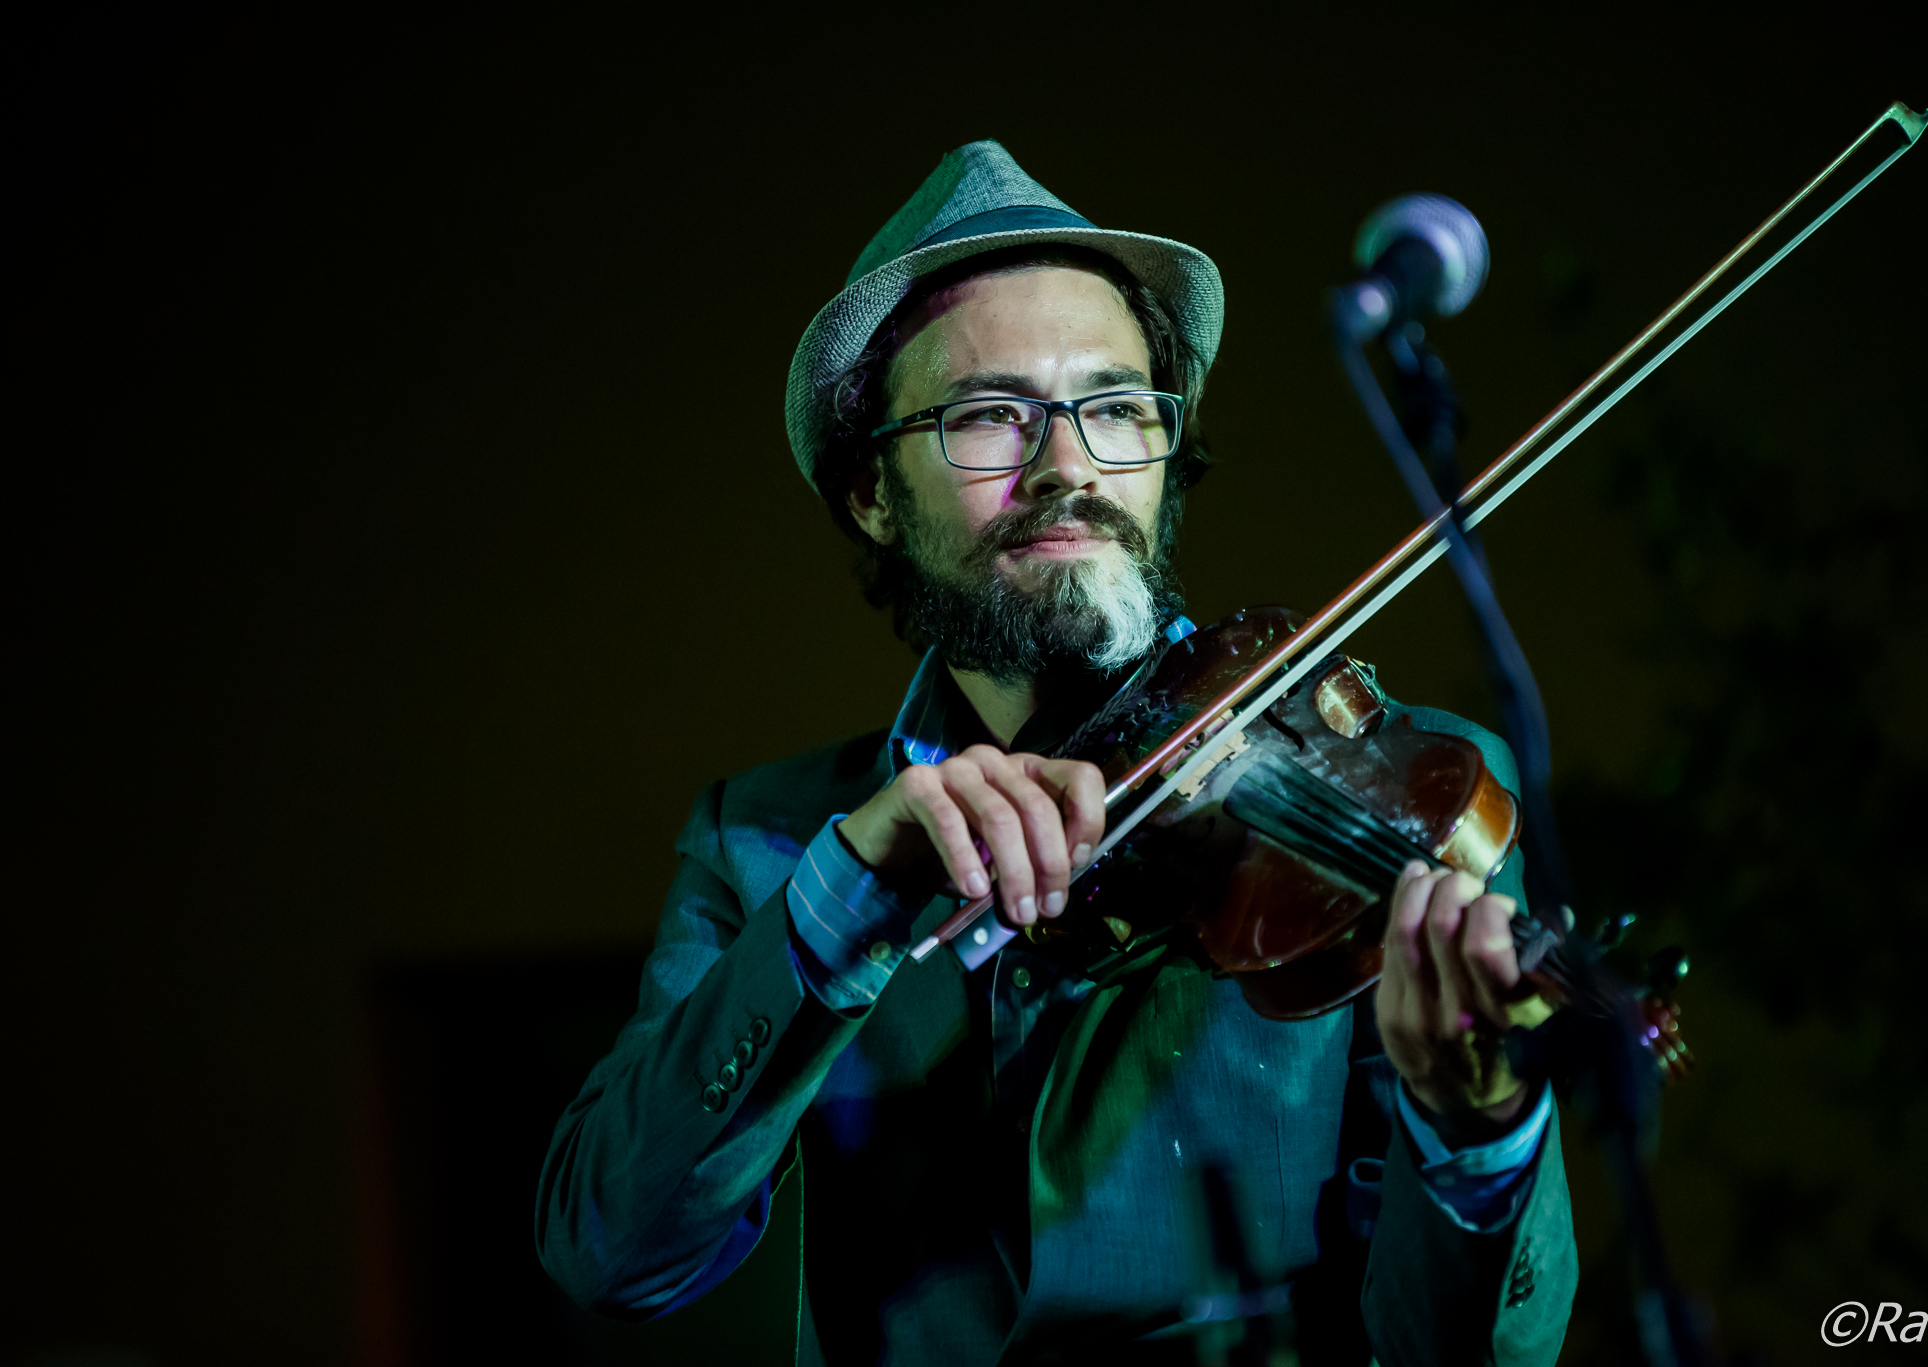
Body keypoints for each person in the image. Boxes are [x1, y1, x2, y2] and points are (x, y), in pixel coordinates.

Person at [536, 141, 1576, 1366]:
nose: (1069, 466)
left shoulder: (1393, 791)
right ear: (871, 490)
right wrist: (843, 902)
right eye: (990, 417)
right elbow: (608, 1249)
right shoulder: (764, 842)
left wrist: (1477, 1134)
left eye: (1117, 407)